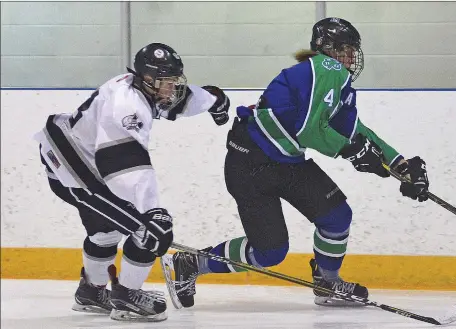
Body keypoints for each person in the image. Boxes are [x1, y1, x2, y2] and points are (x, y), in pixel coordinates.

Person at [165, 17, 430, 308]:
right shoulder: (327, 68)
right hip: (251, 164)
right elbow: (311, 131)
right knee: (270, 253)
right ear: (328, 49)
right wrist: (350, 150)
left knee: (336, 216)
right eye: (347, 49)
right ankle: (192, 262)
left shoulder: (331, 79)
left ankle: (327, 283)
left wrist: (399, 164)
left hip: (281, 161)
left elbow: (355, 129)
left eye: (353, 49)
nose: (353, 56)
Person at [34, 43, 231, 322]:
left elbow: (180, 100)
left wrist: (214, 100)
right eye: (167, 81)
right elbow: (125, 162)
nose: (172, 87)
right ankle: (127, 296)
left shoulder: (140, 87)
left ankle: (91, 292)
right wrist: (151, 213)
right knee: (149, 229)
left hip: (72, 153)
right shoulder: (128, 106)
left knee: (106, 233)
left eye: (174, 79)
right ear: (148, 80)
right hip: (73, 166)